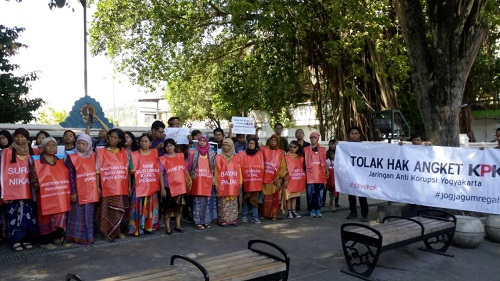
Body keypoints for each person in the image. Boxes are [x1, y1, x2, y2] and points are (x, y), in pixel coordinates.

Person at [0, 128, 37, 251]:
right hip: (12, 193)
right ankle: (15, 240)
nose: (20, 139)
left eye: (22, 137)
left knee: (27, 217)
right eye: (17, 136)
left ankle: (25, 239)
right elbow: (2, 173)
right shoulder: (6, 152)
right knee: (12, 216)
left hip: (28, 192)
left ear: (27, 138)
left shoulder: (33, 152)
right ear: (13, 137)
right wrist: (3, 194)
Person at [31, 137, 70, 249]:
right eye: (49, 145)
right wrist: (41, 186)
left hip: (58, 195)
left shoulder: (60, 160)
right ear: (43, 148)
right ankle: (45, 241)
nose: (52, 147)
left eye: (54, 145)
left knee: (58, 215)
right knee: (46, 217)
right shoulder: (37, 161)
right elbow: (34, 178)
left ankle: (56, 237)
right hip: (45, 195)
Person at [95, 128, 131, 241]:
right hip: (107, 187)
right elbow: (97, 170)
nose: (113, 139)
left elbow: (126, 170)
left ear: (120, 139)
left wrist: (129, 185)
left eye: (115, 138)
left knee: (119, 210)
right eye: (111, 136)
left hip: (120, 186)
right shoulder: (101, 151)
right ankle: (106, 232)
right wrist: (97, 187)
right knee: (107, 210)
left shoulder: (123, 152)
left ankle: (117, 231)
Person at [65, 134, 99, 245]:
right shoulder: (72, 157)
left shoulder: (94, 156)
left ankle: (89, 236)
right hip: (78, 192)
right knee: (77, 214)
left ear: (89, 145)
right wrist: (73, 192)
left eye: (83, 144)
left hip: (91, 191)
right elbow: (69, 175)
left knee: (89, 215)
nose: (80, 146)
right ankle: (76, 237)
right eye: (78, 143)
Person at [129, 134, 162, 236]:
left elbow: (158, 170)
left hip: (151, 185)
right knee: (138, 206)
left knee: (150, 207)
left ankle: (149, 226)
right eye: (142, 141)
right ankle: (138, 228)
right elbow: (130, 170)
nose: (143, 143)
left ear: (150, 143)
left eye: (146, 141)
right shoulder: (134, 155)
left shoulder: (155, 153)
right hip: (139, 185)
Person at [159, 138, 192, 234]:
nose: (169, 148)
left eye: (170, 145)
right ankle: (168, 227)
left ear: (174, 146)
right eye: (167, 146)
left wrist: (188, 179)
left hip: (180, 186)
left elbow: (184, 169)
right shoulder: (163, 159)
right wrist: (162, 189)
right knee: (167, 207)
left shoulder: (180, 156)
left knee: (179, 206)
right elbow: (160, 174)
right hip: (168, 186)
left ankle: (178, 225)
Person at [188, 136, 217, 229]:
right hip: (197, 180)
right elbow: (189, 166)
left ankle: (206, 221)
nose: (201, 142)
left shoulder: (211, 153)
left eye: (204, 141)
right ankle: (198, 222)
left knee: (207, 202)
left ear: (207, 142)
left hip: (207, 180)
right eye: (200, 141)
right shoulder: (193, 153)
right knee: (197, 202)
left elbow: (213, 168)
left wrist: (213, 178)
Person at [215, 138, 242, 226]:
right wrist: (216, 183)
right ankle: (223, 220)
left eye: (228, 145)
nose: (226, 147)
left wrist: (240, 182)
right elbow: (216, 171)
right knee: (223, 202)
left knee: (233, 202)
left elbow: (239, 170)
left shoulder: (236, 157)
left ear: (231, 146)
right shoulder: (218, 157)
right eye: (224, 145)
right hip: (223, 184)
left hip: (233, 183)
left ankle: (233, 220)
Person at [260, 134, 287, 220]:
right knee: (264, 198)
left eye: (275, 140)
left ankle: (273, 214)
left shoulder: (280, 152)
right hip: (264, 177)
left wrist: (278, 176)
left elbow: (283, 166)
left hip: (275, 179)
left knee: (274, 197)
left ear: (278, 142)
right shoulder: (264, 149)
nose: (273, 142)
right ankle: (264, 214)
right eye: (271, 140)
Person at [345, 126, 369, 221]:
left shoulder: (364, 146)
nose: (354, 135)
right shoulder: (345, 146)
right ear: (349, 135)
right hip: (350, 174)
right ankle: (353, 212)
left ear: (359, 135)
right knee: (351, 195)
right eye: (352, 133)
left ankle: (365, 214)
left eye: (356, 133)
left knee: (362, 195)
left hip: (361, 175)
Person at [239, 138, 264, 224]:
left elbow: (262, 167)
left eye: (253, 143)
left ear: (256, 145)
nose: (251, 145)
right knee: (245, 199)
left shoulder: (259, 154)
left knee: (254, 199)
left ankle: (255, 217)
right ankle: (245, 216)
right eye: (249, 143)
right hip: (246, 180)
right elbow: (240, 167)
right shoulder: (242, 154)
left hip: (256, 181)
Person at [304, 132, 328, 218]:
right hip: (310, 175)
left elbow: (324, 162)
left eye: (314, 138)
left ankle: (318, 209)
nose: (312, 139)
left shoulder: (323, 150)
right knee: (311, 193)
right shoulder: (306, 150)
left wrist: (327, 171)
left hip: (320, 175)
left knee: (319, 193)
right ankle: (312, 209)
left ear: (317, 139)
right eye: (311, 138)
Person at [282, 140, 305, 219]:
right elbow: (284, 168)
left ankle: (293, 210)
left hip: (296, 179)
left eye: (294, 147)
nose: (292, 148)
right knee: (288, 196)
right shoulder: (286, 156)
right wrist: (285, 179)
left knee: (294, 196)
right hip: (288, 180)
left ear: (298, 148)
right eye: (291, 146)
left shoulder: (300, 157)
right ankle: (288, 211)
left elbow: (302, 169)